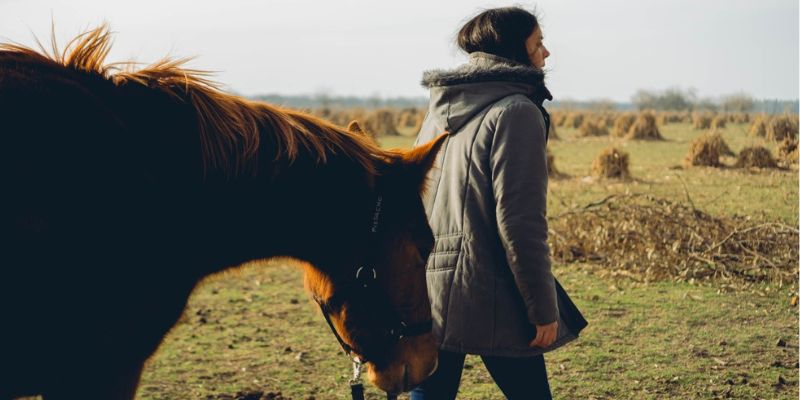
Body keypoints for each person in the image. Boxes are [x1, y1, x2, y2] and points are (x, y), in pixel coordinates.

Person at [411, 6, 584, 399]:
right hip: (492, 288)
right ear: (515, 52)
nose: (546, 53)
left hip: (431, 284)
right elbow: (520, 222)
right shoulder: (517, 112)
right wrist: (542, 310)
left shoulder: (439, 111)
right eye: (538, 44)